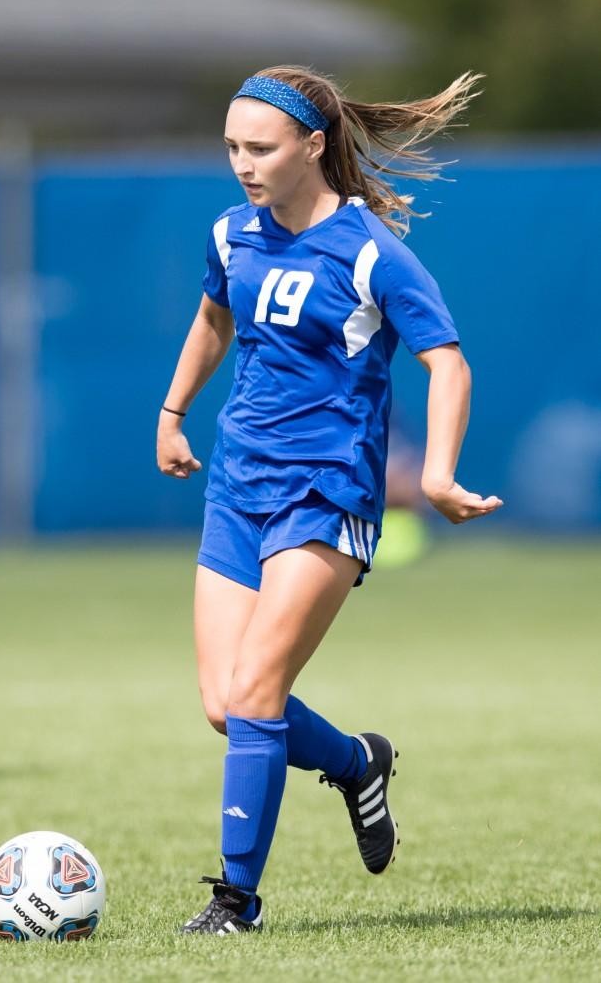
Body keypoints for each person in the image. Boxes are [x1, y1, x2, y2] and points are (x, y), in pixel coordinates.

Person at [157, 66, 503, 935]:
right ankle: (356, 762)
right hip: (240, 487)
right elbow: (212, 319)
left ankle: (235, 902)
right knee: (224, 704)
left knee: (256, 690)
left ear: (312, 145)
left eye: (260, 148)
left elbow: (446, 360)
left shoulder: (370, 250)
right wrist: (171, 413)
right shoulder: (232, 232)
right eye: (231, 146)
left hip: (326, 492)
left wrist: (435, 475)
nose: (242, 163)